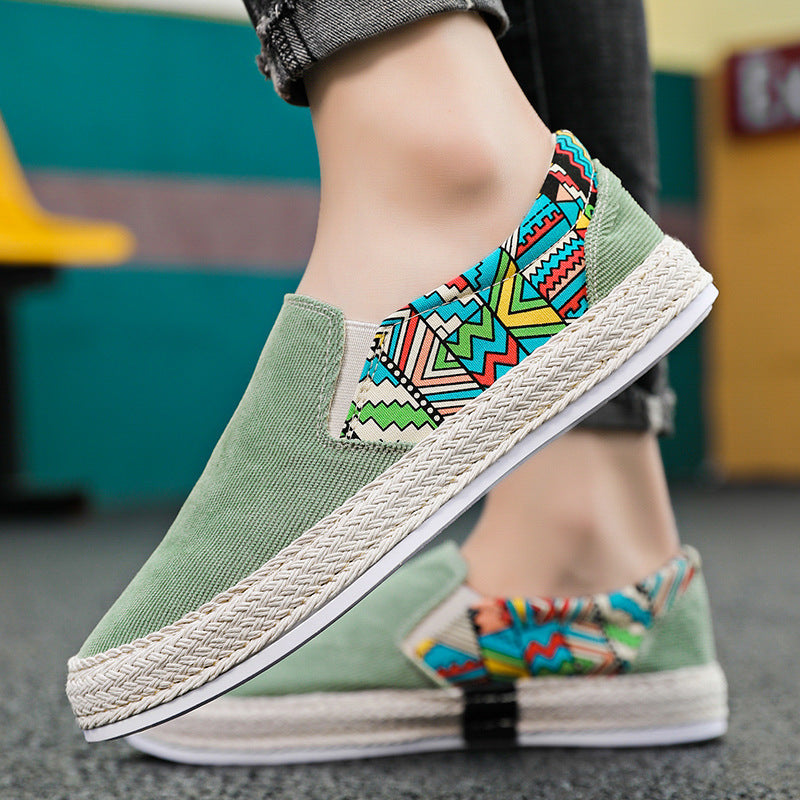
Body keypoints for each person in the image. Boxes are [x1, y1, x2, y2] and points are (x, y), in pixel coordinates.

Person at [66, 0, 724, 748]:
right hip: (537, 292)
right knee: (576, 475)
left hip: (455, 299)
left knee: (424, 99)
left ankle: (435, 165)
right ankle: (586, 532)